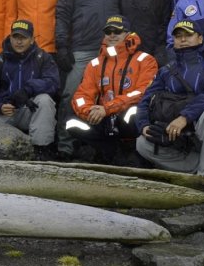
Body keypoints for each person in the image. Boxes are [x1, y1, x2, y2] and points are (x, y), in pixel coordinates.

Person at [135, 19, 204, 180]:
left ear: (200, 38)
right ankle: (201, 168)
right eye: (178, 36)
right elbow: (145, 100)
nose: (183, 39)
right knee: (142, 143)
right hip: (179, 136)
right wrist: (144, 125)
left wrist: (185, 117)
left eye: (188, 35)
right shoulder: (166, 70)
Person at [53, 0, 121, 159]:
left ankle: (110, 147)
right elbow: (62, 16)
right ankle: (65, 145)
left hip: (111, 50)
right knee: (71, 95)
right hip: (82, 50)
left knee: (112, 96)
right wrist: (62, 46)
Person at [66, 15, 158, 164]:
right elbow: (82, 95)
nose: (112, 35)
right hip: (103, 118)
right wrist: (89, 111)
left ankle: (130, 150)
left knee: (134, 113)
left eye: (117, 31)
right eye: (108, 32)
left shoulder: (145, 60)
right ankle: (107, 150)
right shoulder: (95, 63)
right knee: (71, 122)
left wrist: (109, 108)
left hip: (125, 116)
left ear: (128, 34)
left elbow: (142, 92)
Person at [0, 19, 59, 160]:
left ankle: (40, 151)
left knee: (45, 100)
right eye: (15, 37)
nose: (19, 42)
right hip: (6, 110)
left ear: (32, 40)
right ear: (10, 38)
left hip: (30, 109)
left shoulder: (43, 58)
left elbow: (53, 83)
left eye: (23, 38)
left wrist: (28, 90)